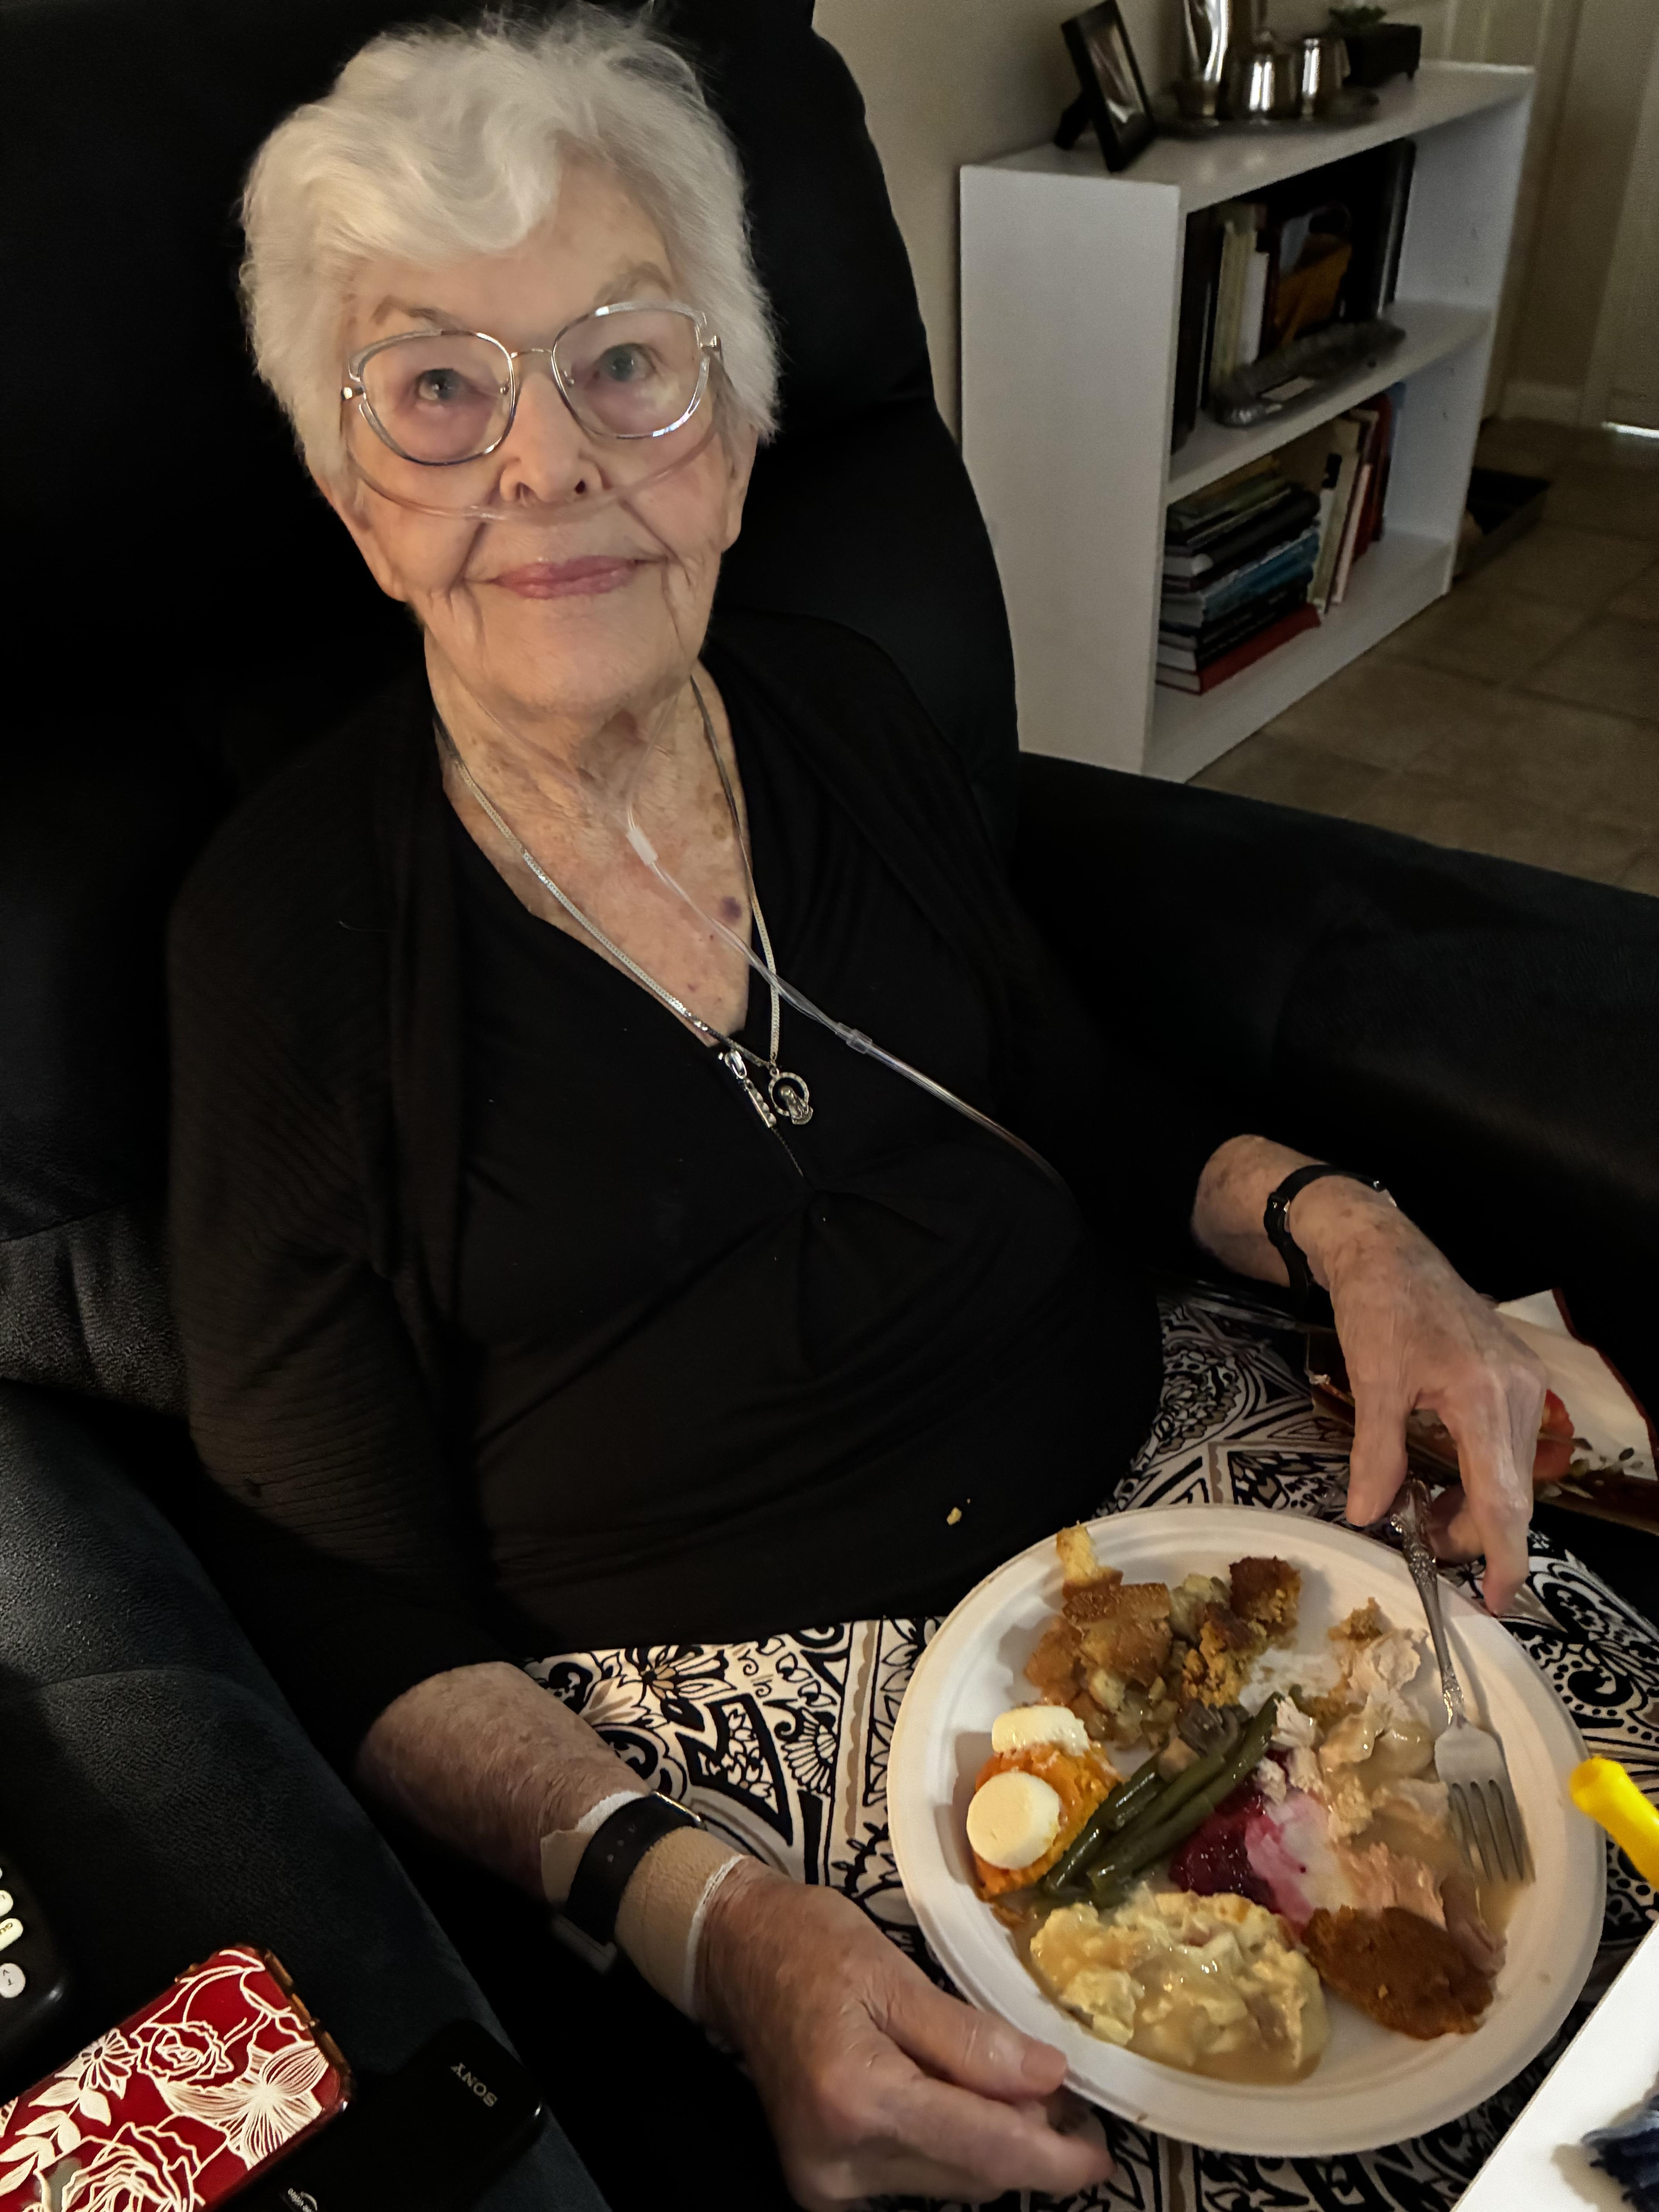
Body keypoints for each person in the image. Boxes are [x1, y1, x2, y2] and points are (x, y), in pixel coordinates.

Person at [169, 13, 1548, 2206]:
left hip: (1174, 1509)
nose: (546, 464)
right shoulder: (283, 941)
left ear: (733, 432)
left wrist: (1361, 1236)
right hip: (748, 1725)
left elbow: (1082, 1103)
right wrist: (708, 1929)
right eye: (437, 389)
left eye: (627, 362)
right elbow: (335, 1593)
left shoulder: (839, 711)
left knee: (1578, 1905)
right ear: (354, 496)